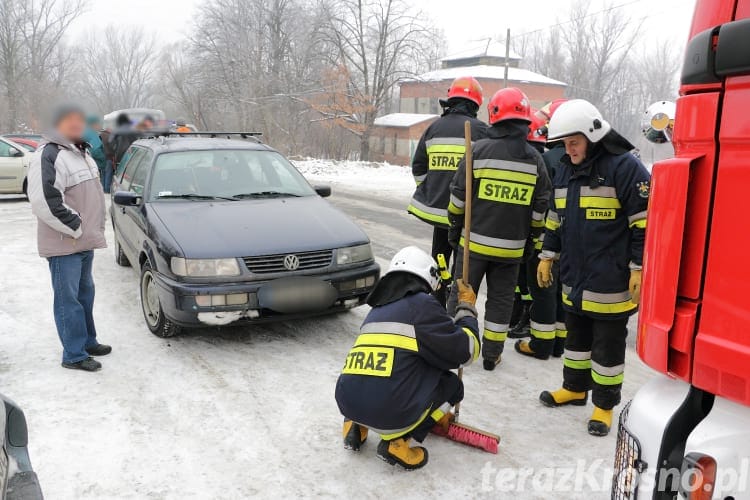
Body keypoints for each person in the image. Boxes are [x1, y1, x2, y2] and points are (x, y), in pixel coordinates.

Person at [536, 99, 650, 436]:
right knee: (576, 341)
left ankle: (603, 405)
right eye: (565, 145)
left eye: (574, 143)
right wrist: (547, 255)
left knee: (607, 349)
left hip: (612, 281)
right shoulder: (565, 170)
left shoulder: (624, 168)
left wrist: (637, 267)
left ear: (593, 136)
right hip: (575, 279)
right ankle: (574, 388)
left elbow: (644, 224)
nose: (568, 151)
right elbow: (556, 221)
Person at [335, 246, 480, 470]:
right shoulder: (422, 305)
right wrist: (467, 310)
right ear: (428, 277)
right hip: (389, 412)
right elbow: (466, 352)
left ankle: (356, 427)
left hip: (348, 403)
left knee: (380, 376)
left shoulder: (376, 310)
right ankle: (397, 443)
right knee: (452, 385)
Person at [446, 88, 552, 371]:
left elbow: (458, 197)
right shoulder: (535, 160)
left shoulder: (477, 152)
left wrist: (454, 228)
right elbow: (541, 207)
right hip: (512, 249)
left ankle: (453, 348)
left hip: (473, 246)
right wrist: (532, 240)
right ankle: (492, 355)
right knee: (501, 302)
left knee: (461, 294)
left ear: (494, 116)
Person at [27, 103, 111, 372]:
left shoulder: (81, 153)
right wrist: (77, 227)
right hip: (66, 244)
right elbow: (45, 201)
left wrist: (93, 226)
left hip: (84, 241)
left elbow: (93, 195)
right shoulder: (49, 155)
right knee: (68, 301)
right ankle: (73, 354)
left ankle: (87, 341)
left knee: (85, 295)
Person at [407, 76, 489, 307]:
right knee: (462, 261)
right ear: (475, 104)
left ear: (450, 100)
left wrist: (428, 189)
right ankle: (455, 301)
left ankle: (437, 298)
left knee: (439, 256)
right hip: (465, 214)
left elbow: (418, 166)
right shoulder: (482, 131)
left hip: (438, 212)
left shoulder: (433, 128)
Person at [515, 102, 569, 359]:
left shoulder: (546, 159)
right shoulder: (579, 158)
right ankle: (559, 343)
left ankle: (541, 344)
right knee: (559, 291)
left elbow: (537, 202)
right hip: (569, 238)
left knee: (542, 288)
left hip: (546, 237)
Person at [83, 115, 108, 191]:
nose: (99, 126)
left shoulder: (84, 131)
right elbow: (95, 150)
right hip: (95, 164)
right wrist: (104, 159)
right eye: (98, 124)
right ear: (93, 124)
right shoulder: (92, 134)